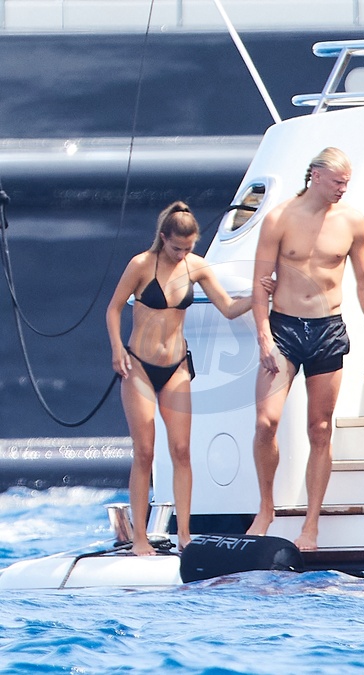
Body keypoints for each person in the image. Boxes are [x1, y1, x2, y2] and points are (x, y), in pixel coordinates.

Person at [106, 201, 273, 556]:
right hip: (139, 366)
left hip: (176, 366)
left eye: (188, 248)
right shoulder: (141, 264)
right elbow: (114, 308)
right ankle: (139, 538)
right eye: (176, 248)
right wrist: (117, 349)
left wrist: (258, 294)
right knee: (145, 451)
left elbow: (228, 308)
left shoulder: (196, 267)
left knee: (182, 450)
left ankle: (184, 534)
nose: (182, 254)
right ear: (163, 238)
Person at [246, 147, 364, 551]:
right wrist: (263, 335)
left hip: (327, 328)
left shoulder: (352, 221)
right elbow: (259, 282)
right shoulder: (280, 218)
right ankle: (266, 507)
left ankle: (311, 524)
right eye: (338, 182)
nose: (343, 189)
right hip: (285, 327)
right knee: (265, 422)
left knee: (320, 428)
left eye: (347, 183)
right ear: (316, 176)